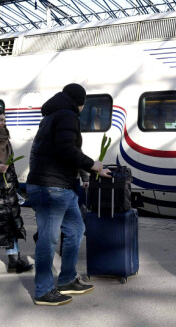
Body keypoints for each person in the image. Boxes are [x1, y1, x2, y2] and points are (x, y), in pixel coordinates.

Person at [26, 83, 111, 306]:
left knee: (75, 229)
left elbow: (69, 151)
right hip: (51, 187)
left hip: (60, 186)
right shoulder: (67, 115)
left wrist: (88, 172)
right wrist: (92, 165)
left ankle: (67, 279)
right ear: (80, 102)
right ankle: (43, 291)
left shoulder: (53, 115)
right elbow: (67, 149)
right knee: (49, 237)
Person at [0, 110, 34, 274]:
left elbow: (10, 166)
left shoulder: (6, 141)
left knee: (11, 224)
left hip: (8, 190)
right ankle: (14, 260)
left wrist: (16, 189)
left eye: (4, 120)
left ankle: (14, 260)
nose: (3, 123)